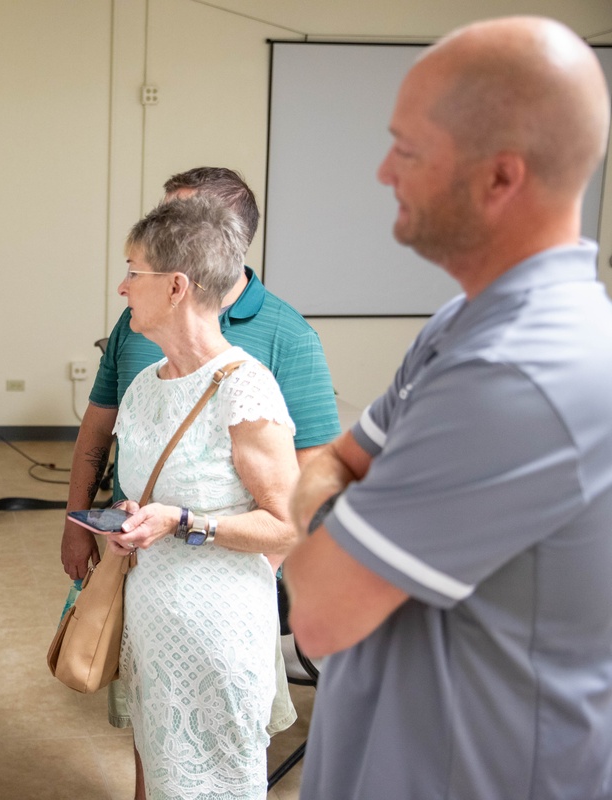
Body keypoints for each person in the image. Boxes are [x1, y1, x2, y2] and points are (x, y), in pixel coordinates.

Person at [283, 17, 612, 800]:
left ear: (501, 179)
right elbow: (335, 462)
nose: (382, 173)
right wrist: (352, 503)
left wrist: (330, 520)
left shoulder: (517, 374)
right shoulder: (463, 326)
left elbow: (320, 610)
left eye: (407, 150)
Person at [105, 196, 300, 798]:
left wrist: (186, 522)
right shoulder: (143, 387)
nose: (122, 286)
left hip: (219, 631)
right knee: (160, 773)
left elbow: (289, 526)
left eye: (133, 271)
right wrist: (129, 518)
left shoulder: (244, 388)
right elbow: (148, 498)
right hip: (153, 617)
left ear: (176, 287)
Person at [61, 168, 339, 583]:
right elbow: (100, 429)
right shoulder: (138, 328)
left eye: (179, 218)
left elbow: (308, 487)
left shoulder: (290, 339)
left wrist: (257, 576)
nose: (160, 229)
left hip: (223, 581)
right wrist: (79, 522)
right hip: (137, 565)